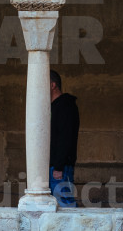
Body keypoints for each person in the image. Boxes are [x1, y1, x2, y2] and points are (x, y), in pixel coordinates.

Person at [49, 70, 79, 208]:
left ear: (52, 85)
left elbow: (65, 137)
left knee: (65, 206)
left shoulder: (66, 106)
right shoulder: (53, 107)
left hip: (59, 168)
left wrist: (59, 167)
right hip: (53, 167)